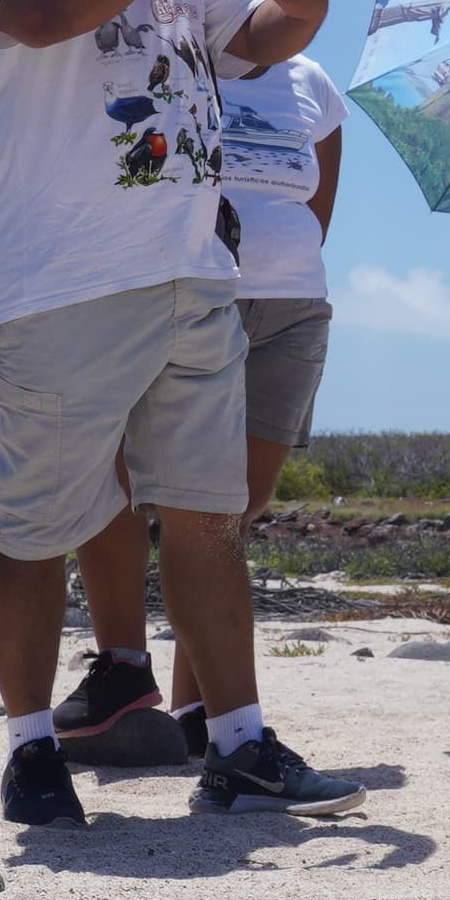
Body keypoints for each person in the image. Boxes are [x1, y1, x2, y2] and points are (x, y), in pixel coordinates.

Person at [0, 0, 366, 824]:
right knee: (37, 520)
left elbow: (266, 36)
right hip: (62, 273)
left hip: (190, 269)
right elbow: (33, 12)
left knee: (210, 515)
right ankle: (30, 746)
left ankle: (238, 741)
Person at [156, 48, 349, 749]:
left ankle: (193, 707)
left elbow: (323, 177)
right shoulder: (177, 51)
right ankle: (183, 706)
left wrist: (288, 248)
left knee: (244, 505)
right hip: (202, 298)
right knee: (201, 506)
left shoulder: (310, 77)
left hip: (296, 303)